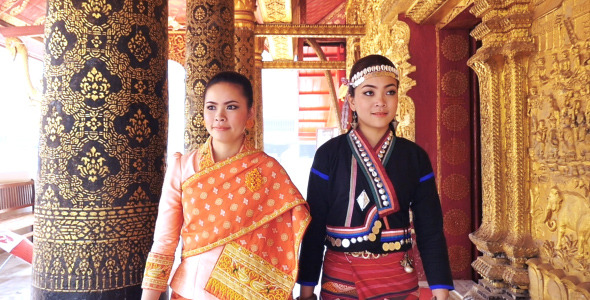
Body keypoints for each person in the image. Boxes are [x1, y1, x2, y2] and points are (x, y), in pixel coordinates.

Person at [141, 71, 311, 300]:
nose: (219, 116)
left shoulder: (269, 171)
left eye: (231, 107)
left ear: (250, 113)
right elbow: (164, 241)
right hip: (191, 292)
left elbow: (280, 243)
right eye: (211, 107)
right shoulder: (182, 167)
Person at [297, 55, 454, 300]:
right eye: (369, 93)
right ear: (352, 100)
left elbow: (430, 229)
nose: (381, 101)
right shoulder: (328, 155)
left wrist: (441, 293)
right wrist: (306, 291)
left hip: (397, 278)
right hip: (341, 277)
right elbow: (314, 226)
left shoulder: (415, 157)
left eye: (389, 92)